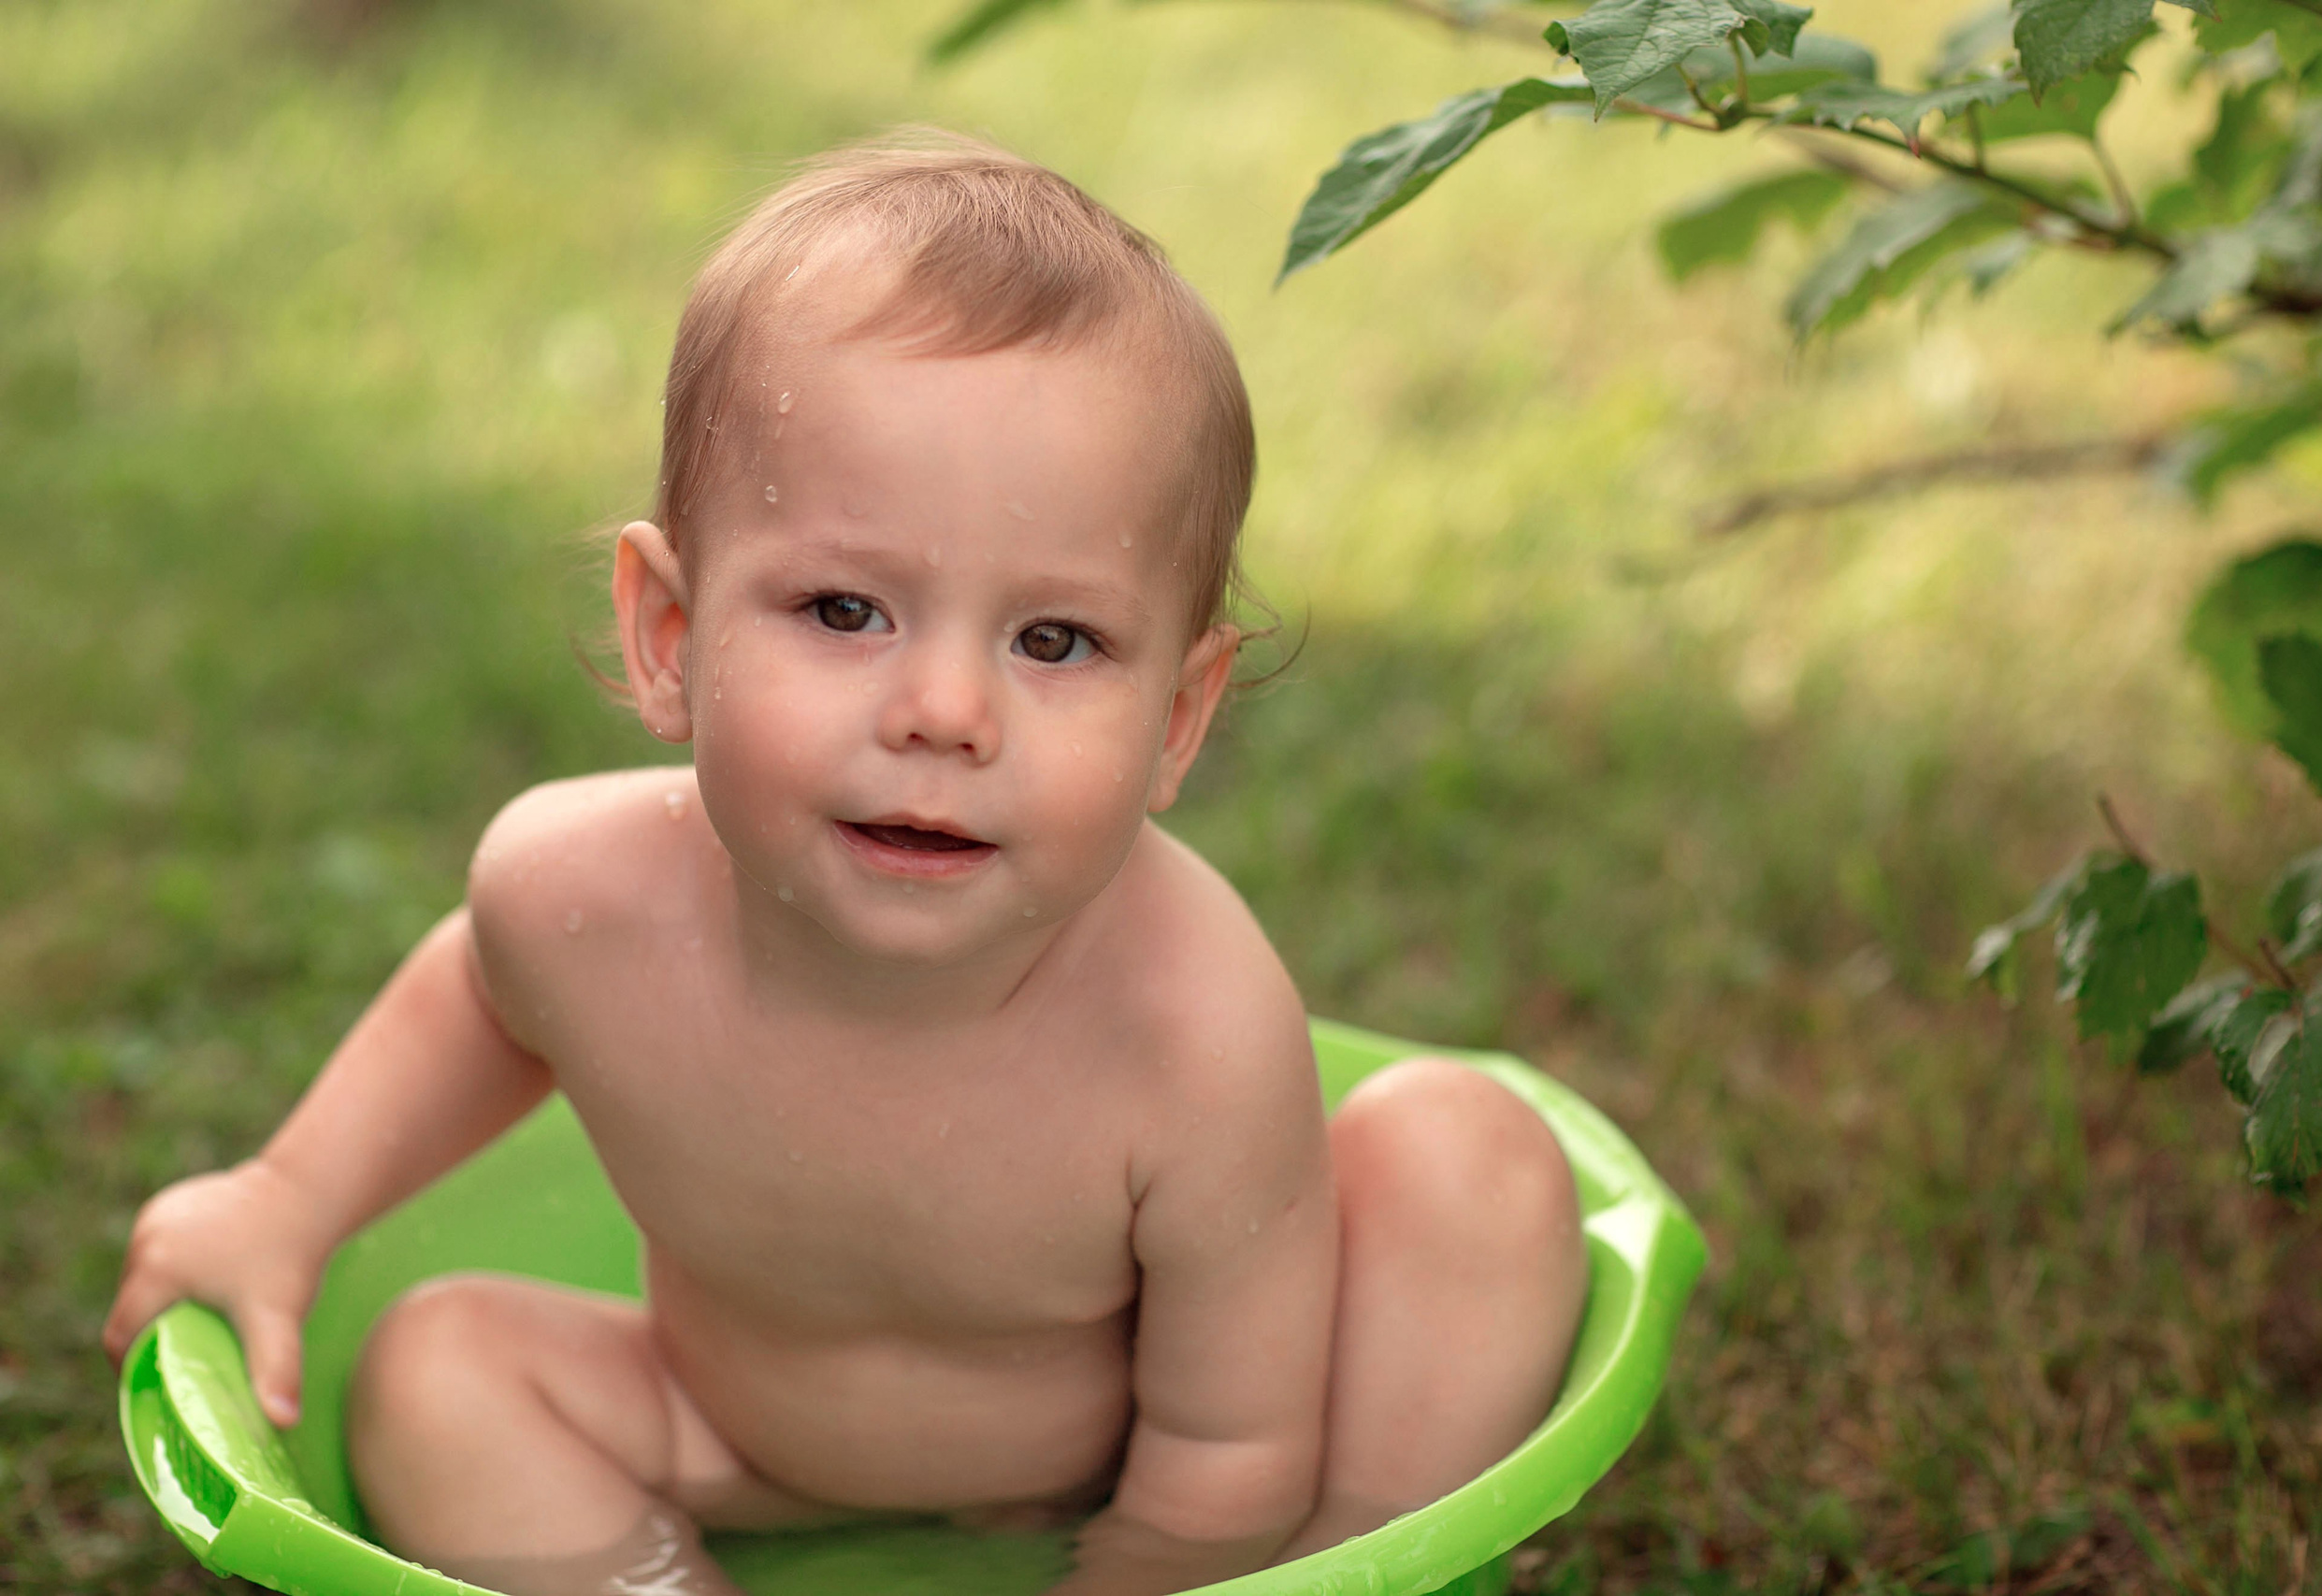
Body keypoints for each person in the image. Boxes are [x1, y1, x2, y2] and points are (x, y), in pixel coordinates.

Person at [102, 132, 1589, 1596]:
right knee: (437, 1369)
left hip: (1137, 1463)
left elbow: (1226, 1451)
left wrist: (1149, 1572)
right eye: (844, 611)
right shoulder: (581, 898)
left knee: (1473, 1160)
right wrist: (287, 1197)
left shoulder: (1187, 1025)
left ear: (1177, 719)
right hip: (735, 1435)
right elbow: (484, 996)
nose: (944, 711)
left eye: (1054, 639)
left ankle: (1353, 1568)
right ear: (671, 638)